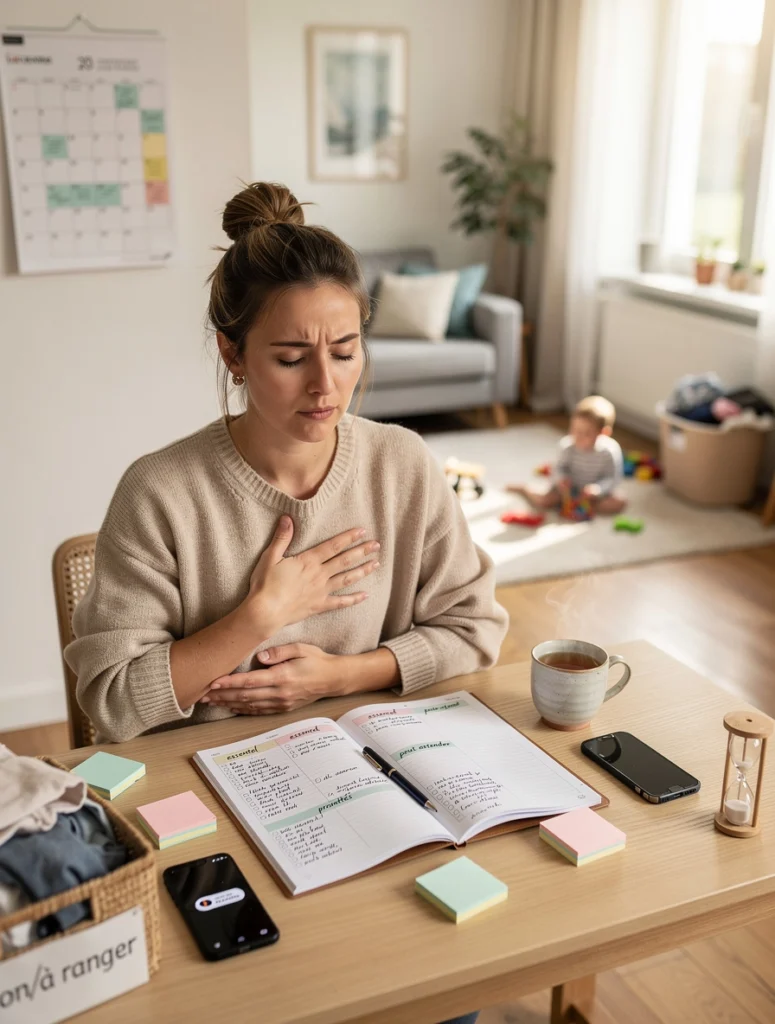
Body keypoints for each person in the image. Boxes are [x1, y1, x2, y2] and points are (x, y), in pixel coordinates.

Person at [65, 182, 509, 752]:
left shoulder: (401, 464)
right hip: (207, 772)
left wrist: (342, 676)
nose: (326, 384)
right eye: (292, 359)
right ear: (234, 354)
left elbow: (476, 629)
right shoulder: (159, 491)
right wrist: (261, 615)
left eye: (346, 353)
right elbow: (113, 700)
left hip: (371, 761)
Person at [508, 395, 626, 515]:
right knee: (544, 501)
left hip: (593, 494)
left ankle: (581, 506)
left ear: (603, 433)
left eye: (586, 433)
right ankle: (525, 488)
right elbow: (558, 469)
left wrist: (598, 489)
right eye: (574, 430)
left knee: (619, 502)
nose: (578, 437)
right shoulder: (567, 446)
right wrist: (562, 481)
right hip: (567, 490)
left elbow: (612, 478)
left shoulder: (610, 451)